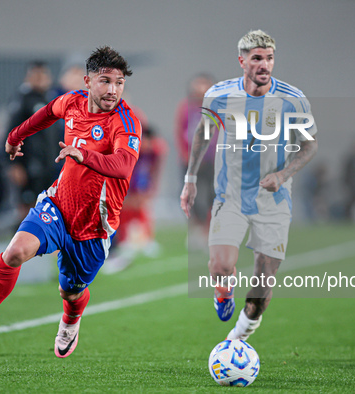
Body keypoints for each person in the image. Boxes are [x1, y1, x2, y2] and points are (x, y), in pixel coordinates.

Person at [0, 46, 142, 358]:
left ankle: (71, 319)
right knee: (15, 252)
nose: (113, 90)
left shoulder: (125, 121)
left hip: (94, 226)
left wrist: (83, 154)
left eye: (119, 83)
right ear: (88, 81)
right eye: (105, 81)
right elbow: (46, 113)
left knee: (71, 291)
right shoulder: (73, 101)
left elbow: (124, 166)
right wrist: (14, 137)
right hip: (58, 206)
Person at [180, 30, 318, 341]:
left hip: (274, 201)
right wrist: (190, 180)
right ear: (242, 61)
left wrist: (282, 176)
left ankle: (237, 338)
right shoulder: (220, 94)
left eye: (269, 58)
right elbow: (203, 133)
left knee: (263, 284)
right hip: (231, 196)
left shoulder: (293, 99)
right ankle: (223, 291)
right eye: (257, 58)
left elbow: (310, 146)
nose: (264, 64)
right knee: (220, 265)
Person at [103, 124, 167, 274]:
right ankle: (113, 249)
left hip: (133, 180)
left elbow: (151, 170)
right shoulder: (128, 149)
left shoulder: (154, 151)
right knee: (116, 211)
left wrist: (149, 189)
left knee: (138, 205)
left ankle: (141, 239)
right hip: (113, 181)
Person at [5, 61, 58, 220]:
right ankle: (22, 242)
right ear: (28, 77)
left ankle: (42, 243)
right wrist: (14, 165)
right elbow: (11, 132)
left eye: (44, 75)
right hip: (29, 165)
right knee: (28, 208)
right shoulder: (22, 100)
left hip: (47, 165)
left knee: (47, 207)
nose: (41, 79)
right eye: (37, 75)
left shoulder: (50, 99)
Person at [174, 74, 215, 249]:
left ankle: (209, 231)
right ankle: (197, 228)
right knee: (190, 197)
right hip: (190, 161)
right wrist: (184, 154)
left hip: (212, 160)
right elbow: (180, 131)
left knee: (213, 196)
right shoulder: (185, 107)